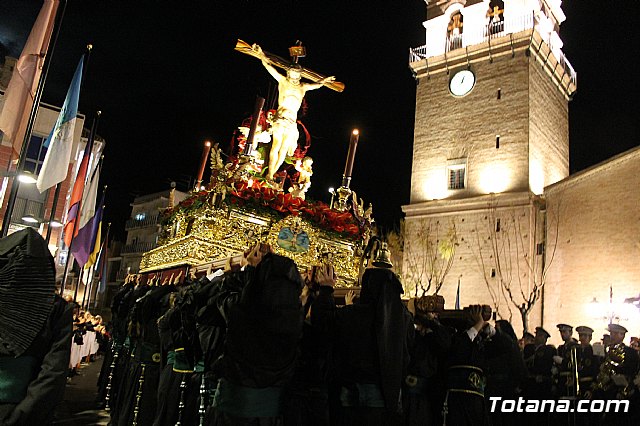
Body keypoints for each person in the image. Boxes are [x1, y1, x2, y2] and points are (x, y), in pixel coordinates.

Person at [311, 266, 414, 425]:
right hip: (383, 391)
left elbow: (322, 325)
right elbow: (406, 355)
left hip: (350, 388)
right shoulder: (401, 319)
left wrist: (326, 289)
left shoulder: (351, 314)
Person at [0, 228, 73, 425]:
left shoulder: (56, 309)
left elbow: (53, 372)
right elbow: (53, 373)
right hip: (23, 412)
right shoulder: (57, 308)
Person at [252, 44, 335, 181]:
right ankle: (270, 174)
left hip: (291, 122)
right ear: (289, 73)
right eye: (292, 75)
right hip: (281, 118)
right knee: (276, 145)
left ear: (300, 77)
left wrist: (324, 81)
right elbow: (268, 66)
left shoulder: (303, 87)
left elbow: (317, 85)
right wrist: (261, 53)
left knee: (284, 151)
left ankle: (271, 174)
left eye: (297, 77)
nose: (294, 79)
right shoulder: (283, 81)